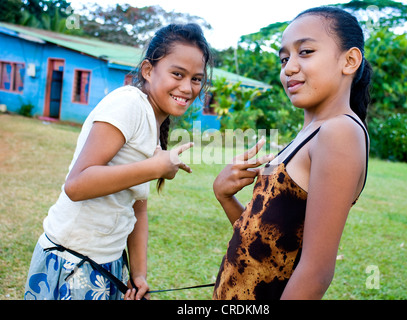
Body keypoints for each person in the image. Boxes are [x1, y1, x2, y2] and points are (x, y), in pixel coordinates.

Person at [24, 23, 212, 300]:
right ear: (148, 71)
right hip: (73, 260)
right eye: (177, 74)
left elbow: (138, 209)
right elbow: (76, 185)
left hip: (105, 262)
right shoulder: (129, 104)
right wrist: (156, 167)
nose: (187, 87)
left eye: (196, 79)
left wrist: (138, 275)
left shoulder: (152, 124)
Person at [212, 6, 371, 300]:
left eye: (306, 52)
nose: (289, 68)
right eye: (284, 58)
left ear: (349, 60)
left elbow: (316, 271)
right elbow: (262, 240)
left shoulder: (340, 133)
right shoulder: (308, 134)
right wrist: (225, 196)